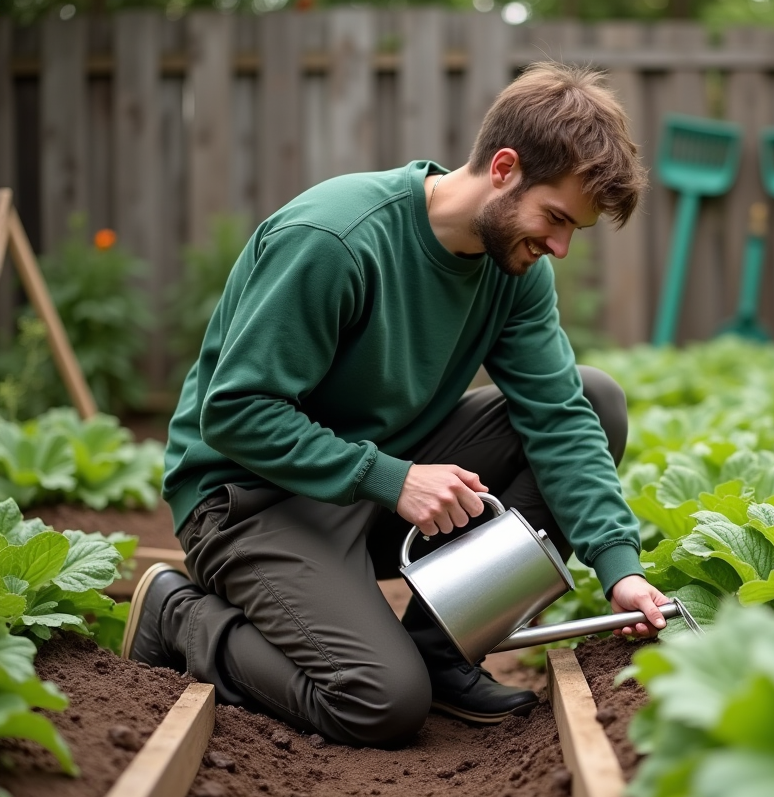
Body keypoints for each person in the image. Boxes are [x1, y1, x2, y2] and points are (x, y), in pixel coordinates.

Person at [121, 62, 669, 747]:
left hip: (374, 489)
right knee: (381, 702)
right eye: (555, 218)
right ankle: (179, 617)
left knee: (597, 398)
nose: (558, 245)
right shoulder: (336, 241)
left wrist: (622, 570)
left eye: (573, 232)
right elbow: (236, 413)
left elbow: (559, 417)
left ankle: (442, 651)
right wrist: (395, 479)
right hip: (250, 499)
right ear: (503, 168)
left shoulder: (514, 271)